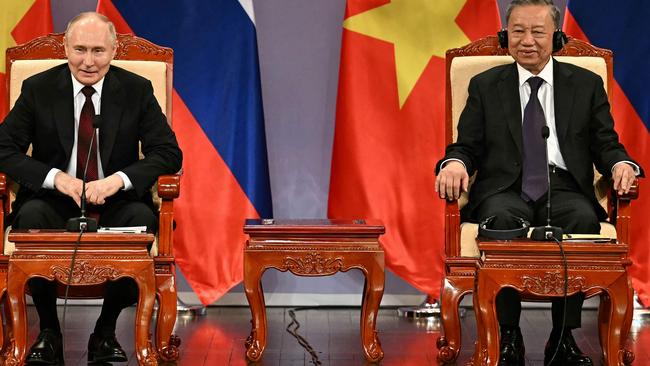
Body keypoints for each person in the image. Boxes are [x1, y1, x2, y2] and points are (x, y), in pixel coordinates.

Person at [435, 1, 641, 365]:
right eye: (517, 31)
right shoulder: (485, 86)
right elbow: (466, 145)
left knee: (581, 219)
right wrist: (453, 163)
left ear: (557, 37)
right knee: (501, 223)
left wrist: (622, 164)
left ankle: (562, 338)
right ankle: (508, 335)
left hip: (563, 187)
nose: (527, 40)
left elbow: (606, 143)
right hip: (504, 189)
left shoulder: (585, 84)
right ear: (505, 35)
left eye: (537, 32)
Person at [0, 12, 182, 365]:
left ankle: (105, 331)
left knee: (144, 224)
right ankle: (49, 332)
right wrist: (56, 177)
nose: (88, 61)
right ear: (65, 48)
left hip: (116, 202)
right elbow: (4, 148)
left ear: (114, 50)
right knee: (31, 219)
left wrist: (118, 180)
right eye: (80, 49)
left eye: (98, 50)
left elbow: (169, 152)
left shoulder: (135, 89)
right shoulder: (38, 88)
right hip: (53, 200)